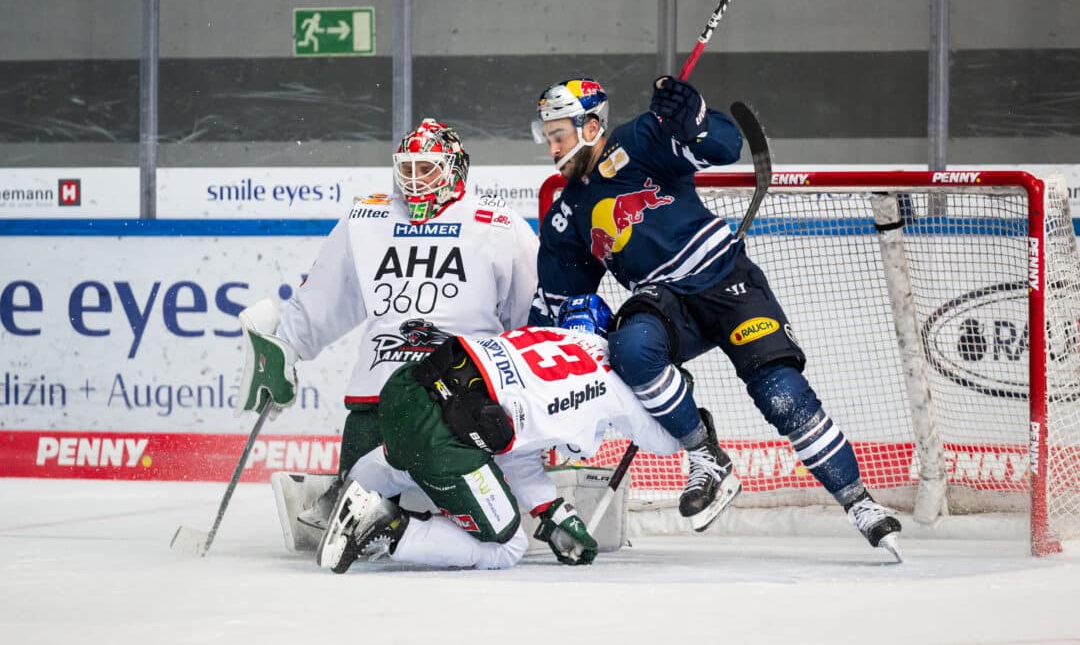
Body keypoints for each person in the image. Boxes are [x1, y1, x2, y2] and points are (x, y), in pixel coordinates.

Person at [527, 77, 902, 558]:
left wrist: (694, 116)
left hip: (726, 280)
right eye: (547, 136)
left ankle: (859, 503)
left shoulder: (638, 139)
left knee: (782, 394)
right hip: (663, 299)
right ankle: (706, 456)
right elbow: (561, 305)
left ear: (592, 125)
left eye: (559, 133)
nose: (552, 146)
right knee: (629, 349)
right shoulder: (566, 216)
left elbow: (724, 146)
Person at [235, 118, 539, 535]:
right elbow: (328, 292)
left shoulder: (499, 226)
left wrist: (531, 385)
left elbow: (525, 312)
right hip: (378, 383)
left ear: (456, 169)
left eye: (427, 168)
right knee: (351, 509)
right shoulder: (367, 219)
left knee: (481, 498)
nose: (414, 181)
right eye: (407, 169)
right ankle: (360, 502)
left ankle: (494, 503)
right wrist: (287, 344)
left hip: (463, 386)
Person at [313, 294, 690, 572]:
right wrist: (671, 387)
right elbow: (668, 439)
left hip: (404, 388)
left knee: (408, 458)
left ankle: (346, 495)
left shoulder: (540, 334)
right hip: (441, 437)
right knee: (508, 546)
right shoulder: (613, 377)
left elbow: (519, 449)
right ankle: (388, 526)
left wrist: (549, 510)